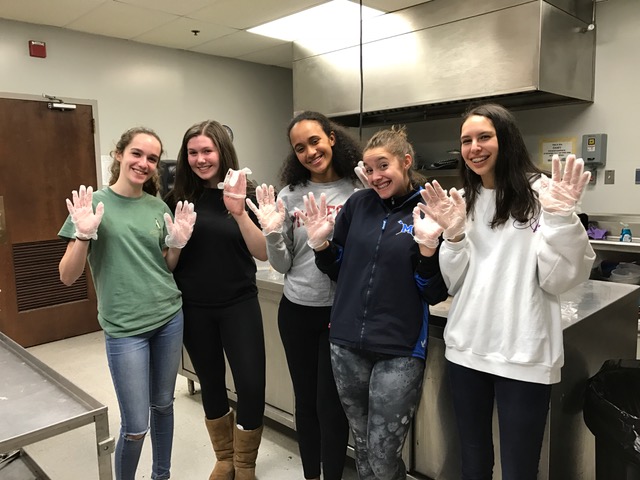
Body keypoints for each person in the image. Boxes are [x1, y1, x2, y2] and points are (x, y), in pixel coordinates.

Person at [419, 103, 595, 480]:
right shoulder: (462, 201)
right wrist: (453, 236)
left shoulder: (544, 195)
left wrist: (561, 220)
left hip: (523, 354)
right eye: (466, 140)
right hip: (467, 350)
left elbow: (560, 278)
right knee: (473, 461)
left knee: (519, 468)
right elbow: (455, 282)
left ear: (507, 139)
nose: (474, 148)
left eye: (484, 137)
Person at [299, 125, 449, 480]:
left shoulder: (429, 210)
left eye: (383, 166)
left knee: (383, 456)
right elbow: (339, 269)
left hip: (399, 348)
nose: (376, 176)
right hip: (346, 344)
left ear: (406, 162)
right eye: (369, 169)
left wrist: (429, 251)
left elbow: (434, 292)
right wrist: (322, 246)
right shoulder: (358, 205)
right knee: (364, 447)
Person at [58, 126, 197, 480]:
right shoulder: (93, 205)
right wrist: (83, 235)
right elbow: (67, 275)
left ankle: (161, 475)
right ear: (119, 154)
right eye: (137, 153)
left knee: (163, 405)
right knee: (135, 426)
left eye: (152, 158)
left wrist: (177, 245)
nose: (144, 163)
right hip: (124, 329)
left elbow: (165, 266)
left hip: (168, 316)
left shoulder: (157, 206)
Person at [246, 111, 360, 480]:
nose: (310, 152)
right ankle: (311, 474)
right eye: (300, 148)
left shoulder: (358, 190)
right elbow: (282, 264)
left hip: (340, 314)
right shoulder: (290, 195)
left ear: (331, 138)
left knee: (332, 404)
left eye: (315, 141)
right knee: (306, 402)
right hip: (297, 311)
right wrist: (272, 232)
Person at [163, 120, 267, 480]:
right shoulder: (176, 200)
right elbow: (168, 263)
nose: (200, 159)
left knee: (251, 384)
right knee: (210, 381)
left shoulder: (246, 193)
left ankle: (245, 463)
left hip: (239, 304)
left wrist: (239, 212)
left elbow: (263, 252)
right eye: (192, 152)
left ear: (222, 151)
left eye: (207, 150)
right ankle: (224, 459)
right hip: (195, 307)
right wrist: (176, 243)